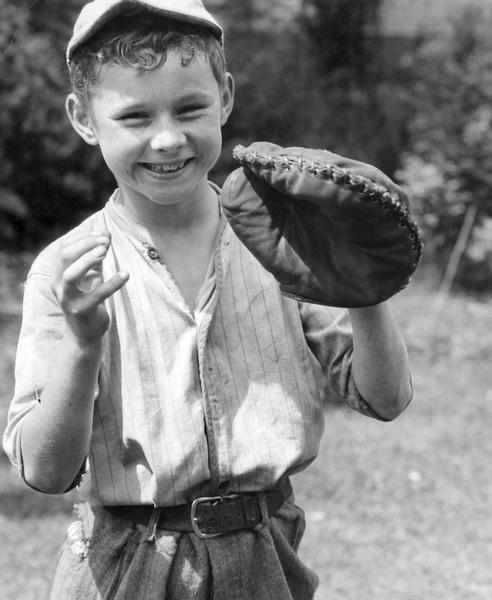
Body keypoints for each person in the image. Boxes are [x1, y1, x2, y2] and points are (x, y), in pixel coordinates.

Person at [2, 1, 414, 598]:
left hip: (265, 561)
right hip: (124, 564)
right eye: (135, 116)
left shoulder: (284, 238)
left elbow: (384, 398)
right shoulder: (68, 273)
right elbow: (44, 471)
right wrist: (80, 344)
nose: (167, 138)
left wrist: (366, 291)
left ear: (224, 95)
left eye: (189, 108)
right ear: (84, 119)